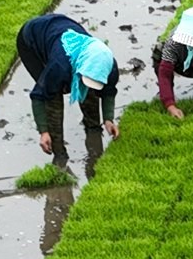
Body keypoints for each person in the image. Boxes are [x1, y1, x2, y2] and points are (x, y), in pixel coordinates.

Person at [15, 9, 121, 164]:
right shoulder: (59, 65)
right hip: (31, 39)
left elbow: (108, 91)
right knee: (53, 96)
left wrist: (108, 119)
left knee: (90, 91)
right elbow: (39, 95)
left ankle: (93, 128)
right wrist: (43, 131)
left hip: (61, 28)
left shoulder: (108, 65)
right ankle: (59, 153)